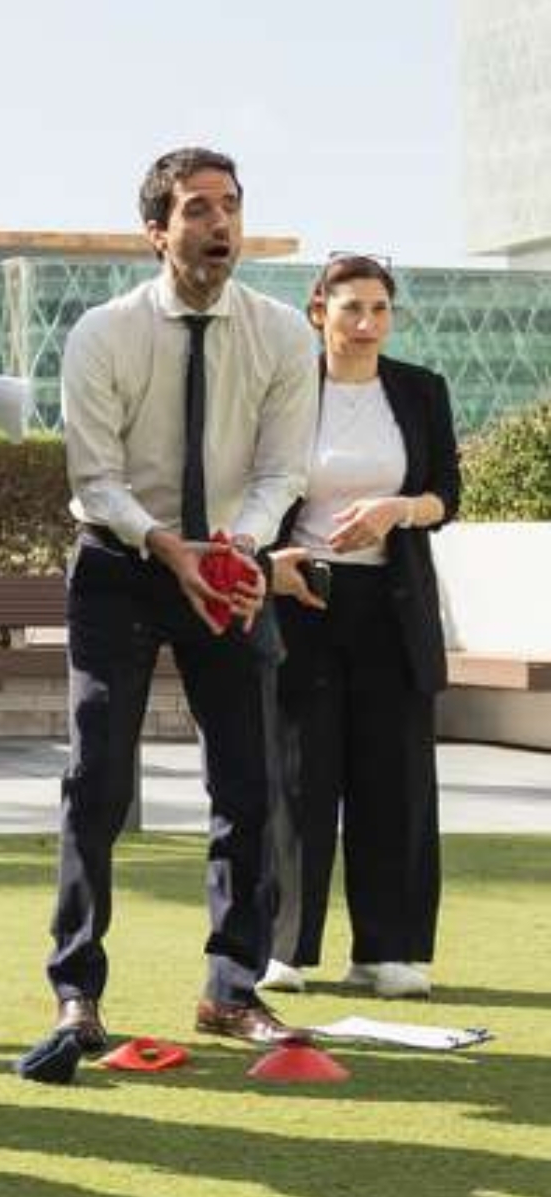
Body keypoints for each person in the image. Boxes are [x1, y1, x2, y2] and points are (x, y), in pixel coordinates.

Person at [50, 148, 319, 1052]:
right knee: (97, 783)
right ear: (156, 232)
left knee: (249, 783)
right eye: (197, 208)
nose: (219, 224)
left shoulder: (284, 336)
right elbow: (96, 478)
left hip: (230, 569)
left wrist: (239, 548)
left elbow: (282, 471)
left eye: (230, 206)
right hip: (122, 564)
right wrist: (169, 547)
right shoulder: (103, 334)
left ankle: (233, 990)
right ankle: (77, 990)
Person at [259, 255, 459, 1000]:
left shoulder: (420, 390)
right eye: (351, 308)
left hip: (393, 607)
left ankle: (388, 951)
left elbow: (446, 494)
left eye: (380, 309)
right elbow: (254, 487)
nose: (367, 323)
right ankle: (285, 948)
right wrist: (267, 561)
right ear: (319, 312)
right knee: (299, 778)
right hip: (301, 599)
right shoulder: (285, 388)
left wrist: (396, 510)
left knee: (394, 778)